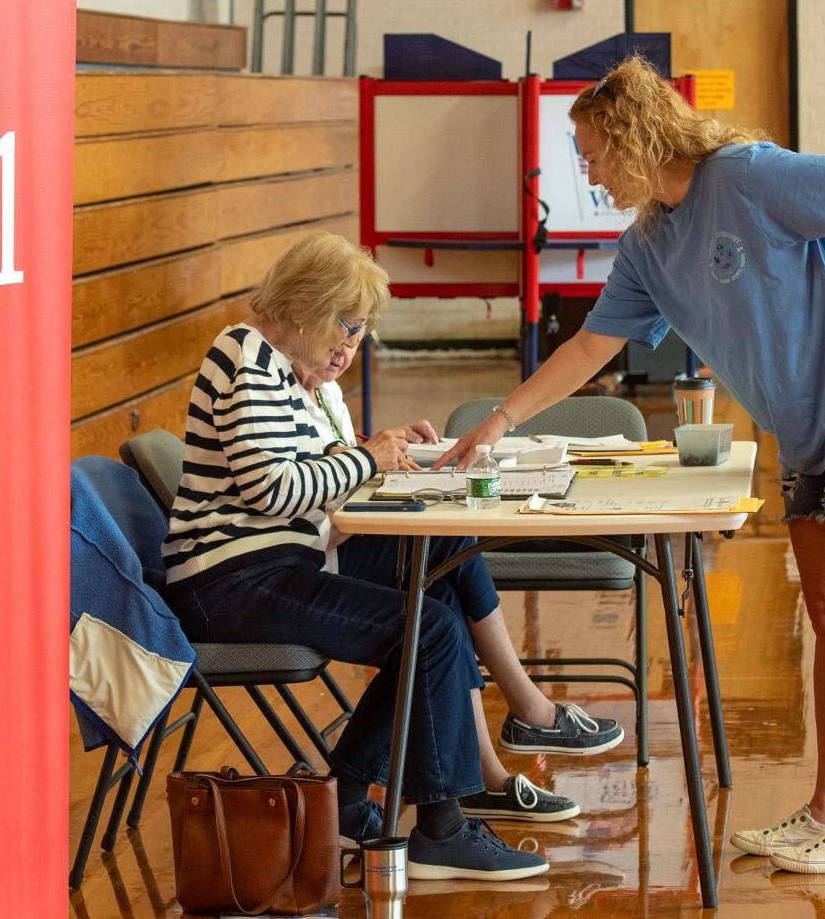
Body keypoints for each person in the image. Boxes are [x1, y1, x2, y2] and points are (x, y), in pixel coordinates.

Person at [435, 56, 825, 875]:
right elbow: (591, 346)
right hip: (811, 433)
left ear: (635, 138)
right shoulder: (647, 246)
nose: (588, 171)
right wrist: (498, 421)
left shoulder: (744, 177)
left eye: (593, 153)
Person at [162, 231, 615, 881]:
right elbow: (274, 488)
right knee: (428, 630)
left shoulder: (304, 379)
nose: (351, 346)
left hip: (290, 558)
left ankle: (348, 797)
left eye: (361, 332)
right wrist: (366, 457)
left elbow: (329, 478)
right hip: (232, 578)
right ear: (305, 304)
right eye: (345, 327)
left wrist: (385, 449)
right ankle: (443, 826)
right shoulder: (245, 356)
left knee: (439, 573)